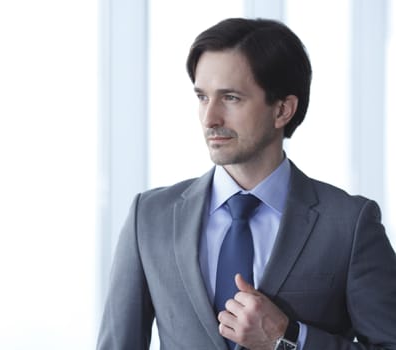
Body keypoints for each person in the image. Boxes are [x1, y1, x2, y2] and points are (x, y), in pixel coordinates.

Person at [96, 17, 396, 350]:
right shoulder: (149, 218)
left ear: (282, 110)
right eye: (202, 97)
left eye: (231, 98)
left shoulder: (350, 225)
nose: (210, 119)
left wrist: (288, 336)